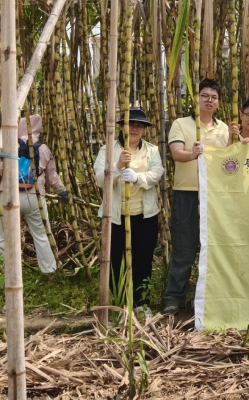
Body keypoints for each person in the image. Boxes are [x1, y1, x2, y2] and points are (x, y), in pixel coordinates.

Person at [162, 79, 229, 315]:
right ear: (196, 98)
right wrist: (192, 154)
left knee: (216, 249)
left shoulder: (224, 129)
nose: (209, 100)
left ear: (218, 102)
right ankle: (174, 298)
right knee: (184, 247)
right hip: (187, 193)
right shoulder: (181, 124)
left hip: (215, 195)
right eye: (205, 96)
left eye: (214, 97)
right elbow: (176, 153)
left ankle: (212, 298)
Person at [93, 107, 164, 309]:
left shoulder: (151, 150)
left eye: (139, 126)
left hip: (144, 215)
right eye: (130, 124)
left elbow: (157, 173)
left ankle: (140, 304)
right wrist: (117, 166)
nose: (134, 129)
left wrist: (137, 178)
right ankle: (120, 303)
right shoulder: (107, 149)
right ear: (121, 127)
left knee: (143, 260)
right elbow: (100, 179)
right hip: (116, 216)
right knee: (115, 261)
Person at [0, 114, 68, 274]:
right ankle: (49, 270)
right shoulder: (43, 148)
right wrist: (62, 192)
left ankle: (0, 271)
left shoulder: (9, 144)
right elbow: (52, 178)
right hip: (34, 197)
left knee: (3, 236)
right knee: (41, 235)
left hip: (8, 195)